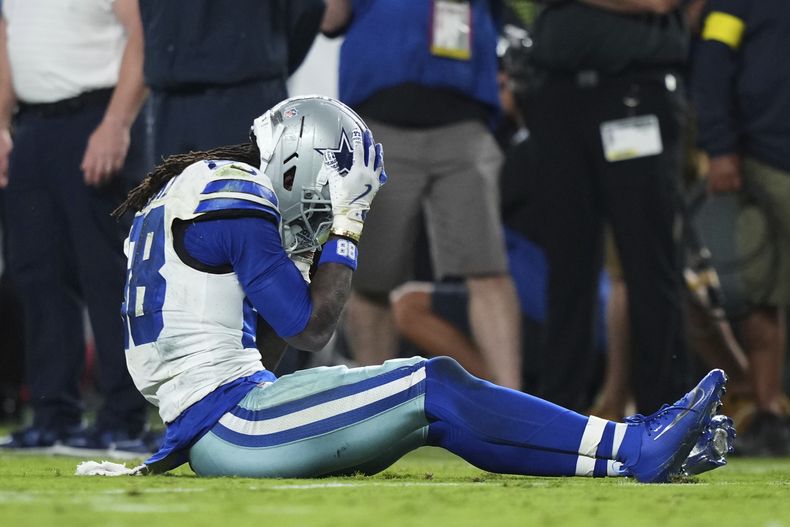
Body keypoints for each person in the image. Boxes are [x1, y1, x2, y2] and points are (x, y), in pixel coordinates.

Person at [96, 95, 733, 482]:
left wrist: (308, 251)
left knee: (436, 411)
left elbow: (265, 353)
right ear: (295, 163)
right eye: (328, 190)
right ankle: (632, 443)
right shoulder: (236, 194)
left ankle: (632, 455)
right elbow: (312, 329)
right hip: (233, 422)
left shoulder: (200, 191)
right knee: (434, 382)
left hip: (224, 418)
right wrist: (347, 224)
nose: (326, 208)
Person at [320, 0, 522, 390]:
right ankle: (374, 405)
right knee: (371, 279)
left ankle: (518, 406)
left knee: (488, 269)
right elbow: (330, 18)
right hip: (379, 120)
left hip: (464, 119)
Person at [0, 0, 151, 455]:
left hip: (97, 117)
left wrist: (117, 122)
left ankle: (124, 418)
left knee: (107, 274)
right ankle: (53, 417)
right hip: (31, 127)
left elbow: (143, 34)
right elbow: (7, 39)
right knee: (36, 273)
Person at [526, 0, 691, 413]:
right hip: (558, 95)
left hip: (636, 91)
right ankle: (558, 415)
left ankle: (665, 415)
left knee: (648, 263)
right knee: (567, 269)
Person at [692, 0, 790, 456]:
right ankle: (768, 413)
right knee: (760, 293)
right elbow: (712, 65)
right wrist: (720, 147)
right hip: (766, 158)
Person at [138, 0, 325, 162]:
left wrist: (268, 62)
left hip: (242, 98)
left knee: (242, 190)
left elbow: (308, 9)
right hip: (167, 102)